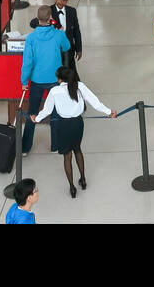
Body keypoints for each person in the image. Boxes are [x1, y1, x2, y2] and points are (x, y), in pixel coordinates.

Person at [31, 66, 116, 198]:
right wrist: (109, 112)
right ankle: (83, 180)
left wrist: (36, 118)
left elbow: (47, 110)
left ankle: (72, 187)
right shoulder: (80, 86)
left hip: (63, 125)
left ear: (59, 79)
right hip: (77, 124)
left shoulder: (54, 91)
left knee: (67, 156)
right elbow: (95, 102)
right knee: (78, 150)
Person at [20, 5, 71, 154]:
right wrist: (62, 32)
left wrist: (24, 81)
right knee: (56, 112)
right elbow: (66, 47)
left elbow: (27, 62)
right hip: (56, 80)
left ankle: (25, 148)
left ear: (37, 19)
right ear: (51, 19)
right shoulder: (58, 35)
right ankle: (55, 146)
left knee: (32, 113)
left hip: (36, 81)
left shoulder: (31, 38)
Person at [50, 0, 82, 64]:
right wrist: (57, 25)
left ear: (67, 1)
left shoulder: (72, 11)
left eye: (64, 0)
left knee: (69, 72)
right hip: (54, 49)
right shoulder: (49, 10)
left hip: (68, 48)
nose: (62, 2)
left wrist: (79, 49)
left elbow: (76, 31)